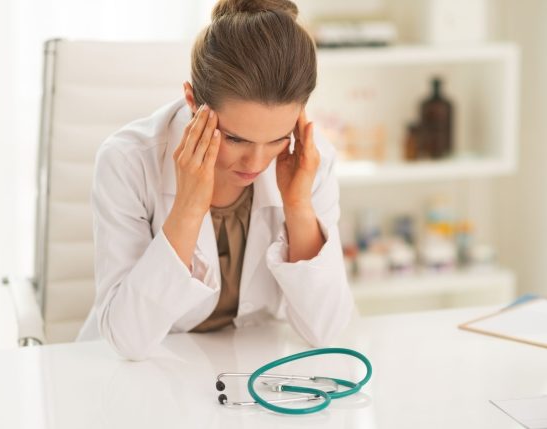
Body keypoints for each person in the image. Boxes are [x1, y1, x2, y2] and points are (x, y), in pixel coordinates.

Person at [77, 0, 354, 360]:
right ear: (192, 100)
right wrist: (189, 208)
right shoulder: (128, 162)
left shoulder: (310, 161)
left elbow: (326, 328)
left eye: (276, 138)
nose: (256, 162)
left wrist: (298, 205)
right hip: (138, 375)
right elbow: (128, 341)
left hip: (250, 367)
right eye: (236, 138)